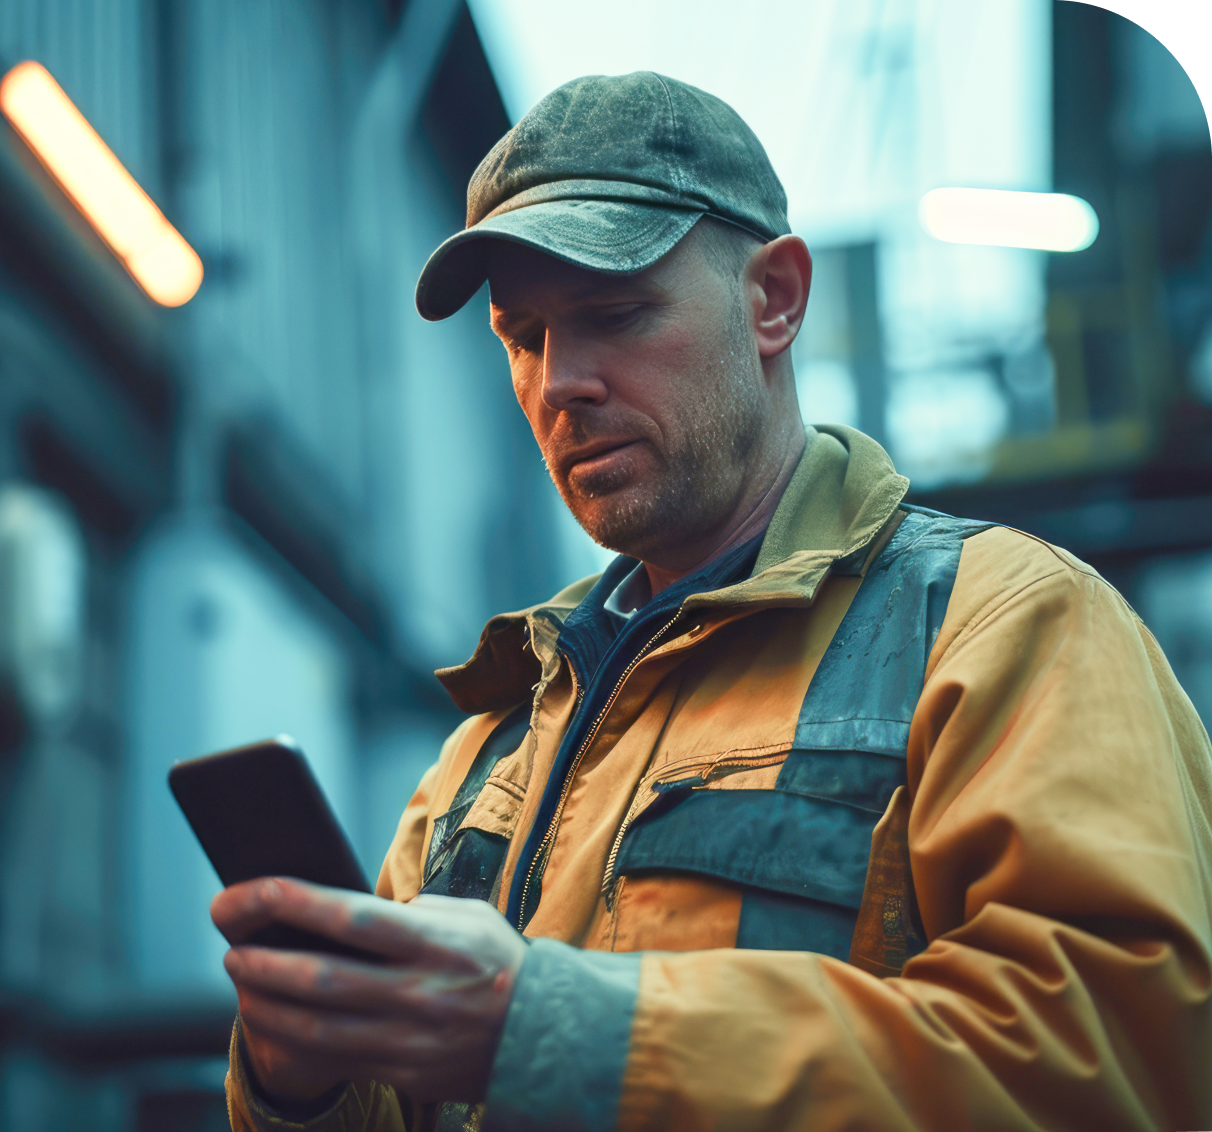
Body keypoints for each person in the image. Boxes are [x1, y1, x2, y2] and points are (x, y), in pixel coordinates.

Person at [217, 72, 1212, 1132]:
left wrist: (550, 1026)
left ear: (774, 299)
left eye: (615, 313)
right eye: (524, 335)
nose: (561, 382)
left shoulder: (1007, 626)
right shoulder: (491, 748)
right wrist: (299, 1077)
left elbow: (1123, 1063)